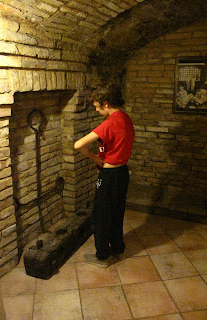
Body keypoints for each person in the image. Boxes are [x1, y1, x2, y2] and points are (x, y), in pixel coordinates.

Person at [74, 83, 135, 268]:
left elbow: (78, 145)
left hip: (108, 175)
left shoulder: (108, 123)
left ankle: (102, 256)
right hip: (122, 172)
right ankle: (117, 248)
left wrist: (94, 158)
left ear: (106, 103)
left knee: (100, 216)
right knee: (117, 212)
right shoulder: (126, 118)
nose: (96, 109)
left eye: (97, 106)